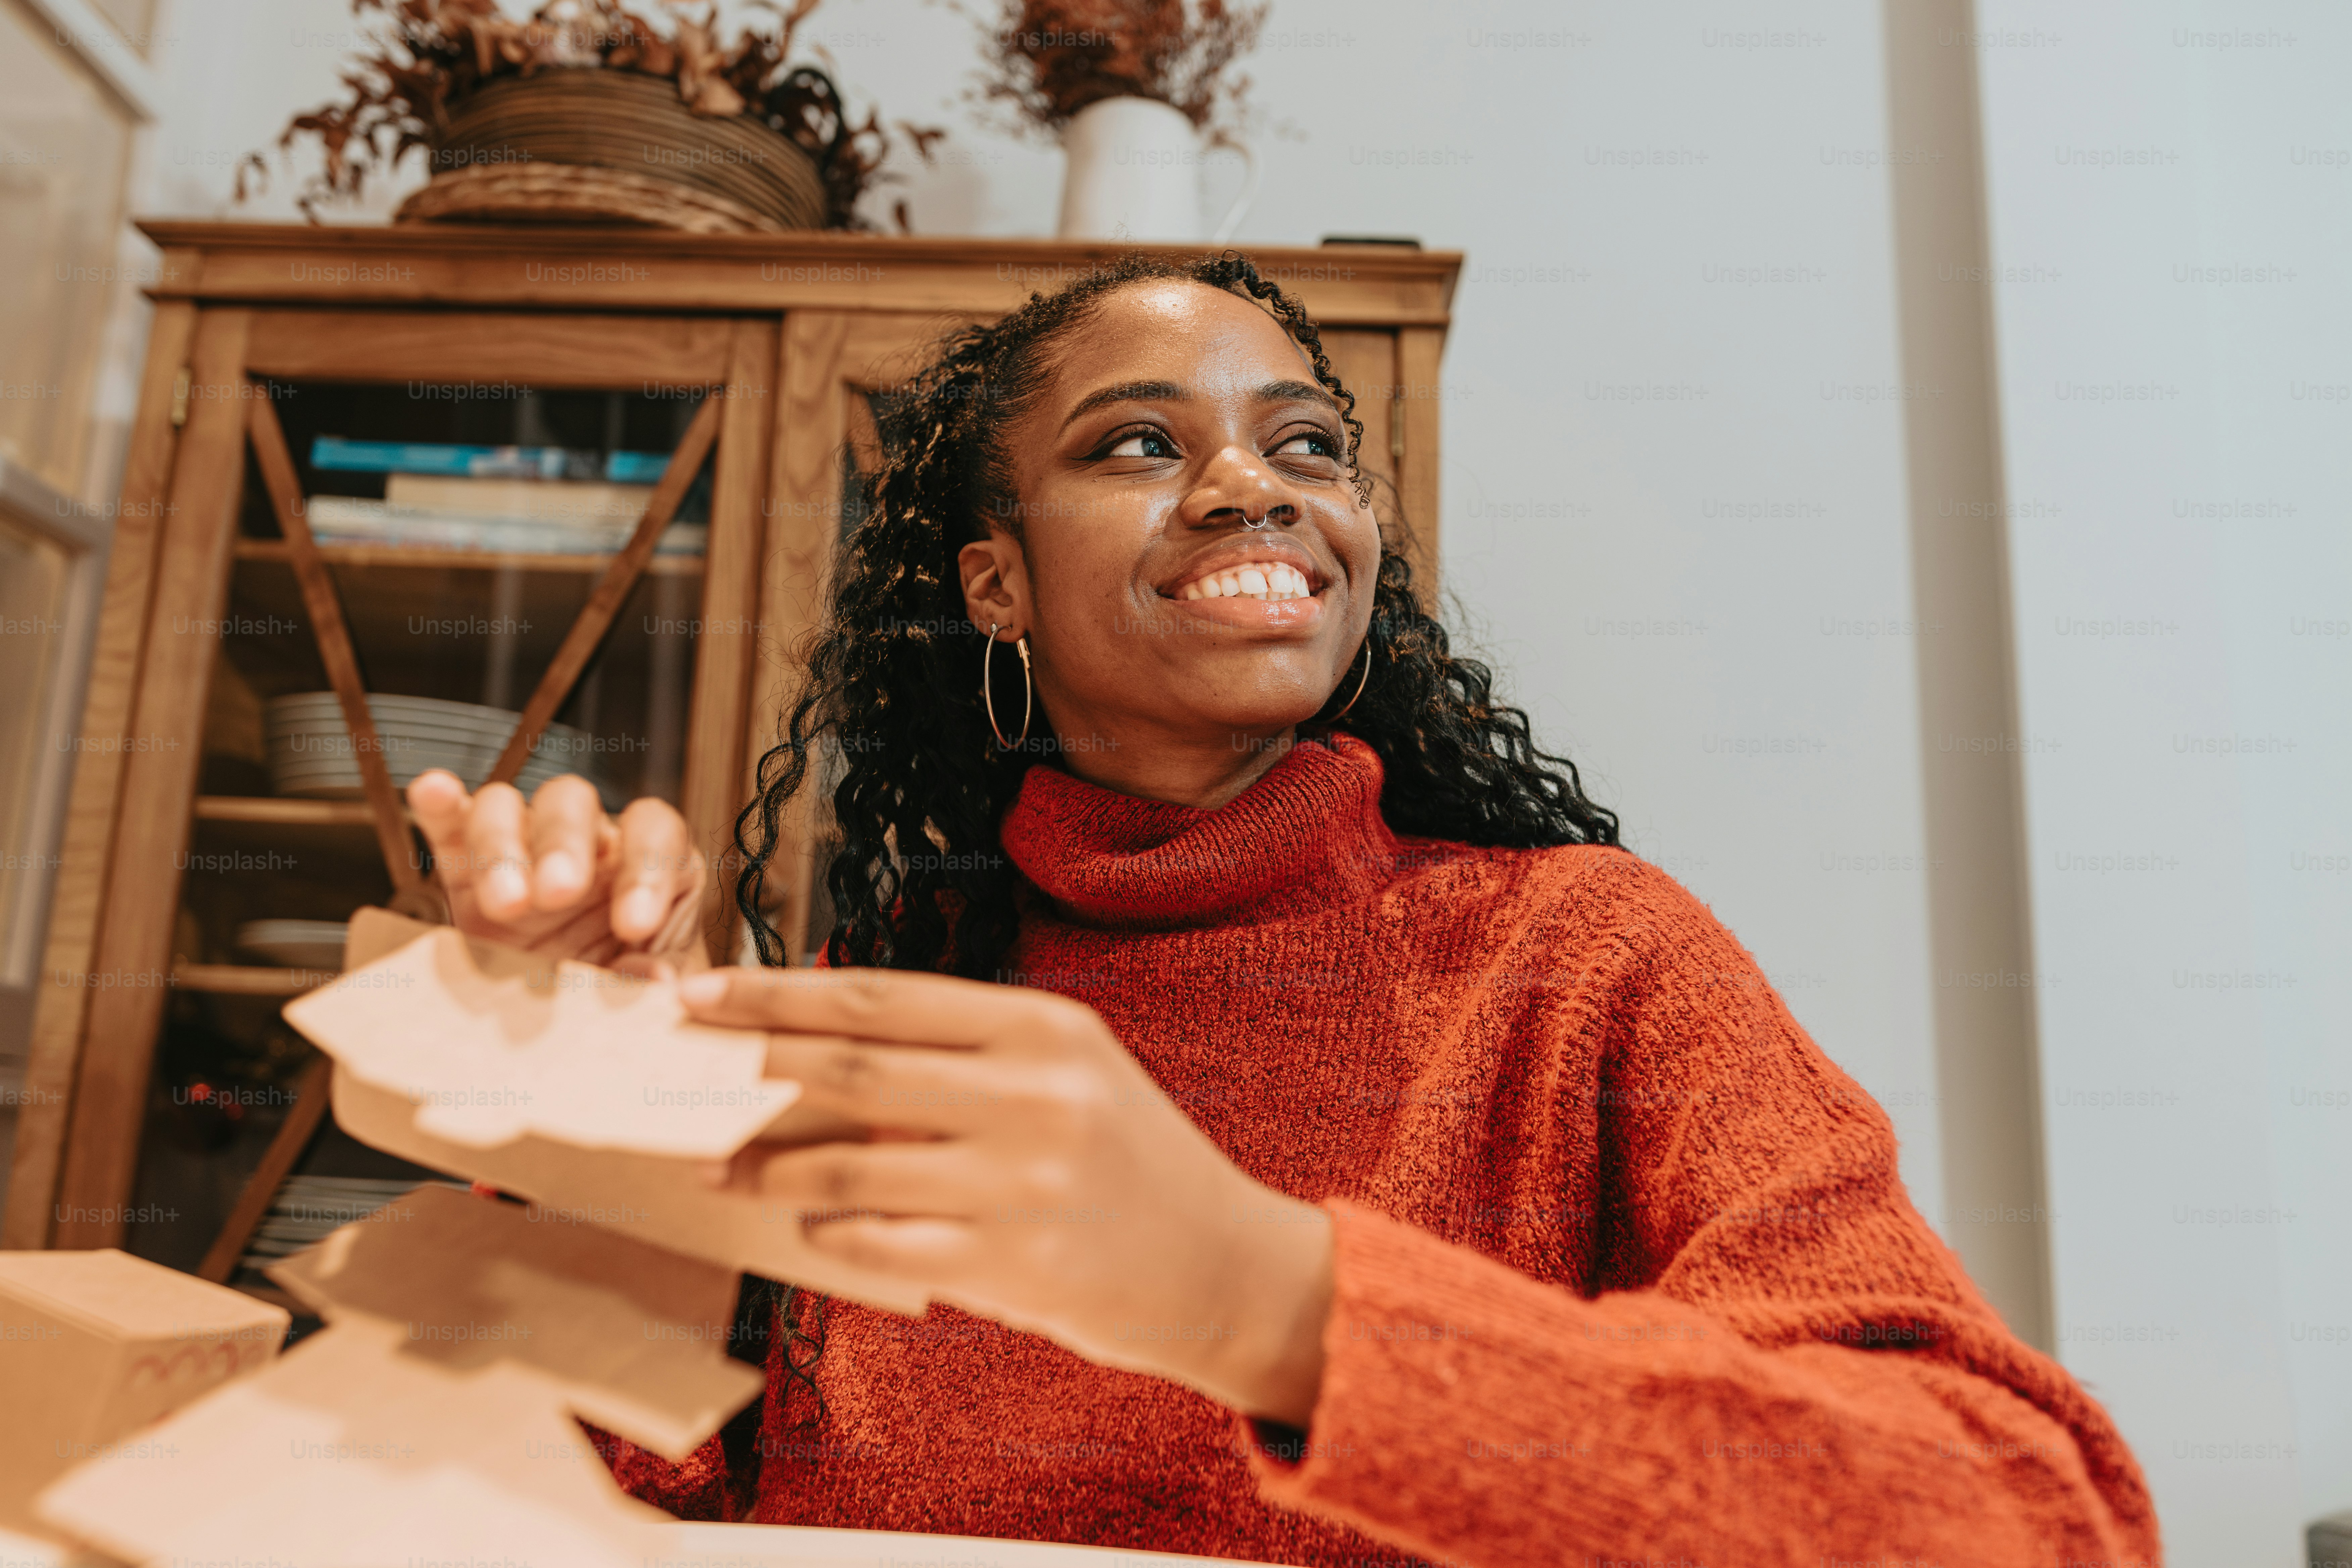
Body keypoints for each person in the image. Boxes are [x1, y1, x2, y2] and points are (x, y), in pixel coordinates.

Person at [405, 253, 2159, 1568]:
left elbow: (2027, 1513)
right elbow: (623, 1521)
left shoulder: (1586, 962)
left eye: (1308, 442)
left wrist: (1271, 1302)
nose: (1255, 487)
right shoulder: (902, 999)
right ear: (993, 584)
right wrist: (590, 1107)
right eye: (1137, 441)